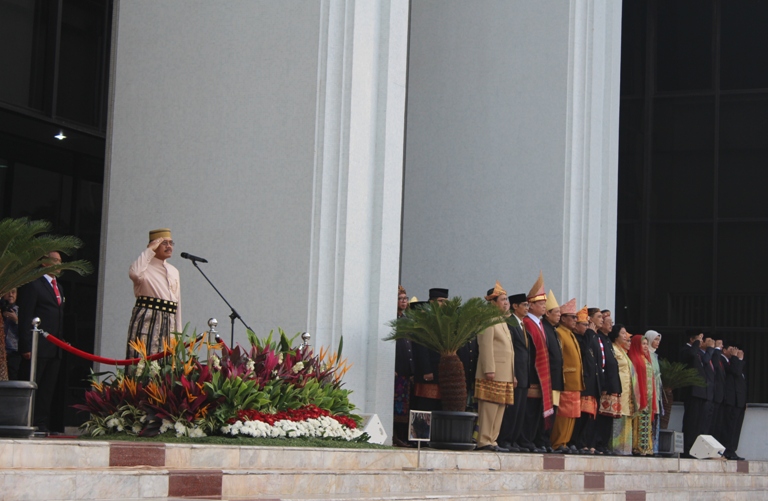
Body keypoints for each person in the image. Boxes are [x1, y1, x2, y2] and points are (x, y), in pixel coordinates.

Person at [16, 252, 66, 432]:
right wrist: (25, 346)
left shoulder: (59, 287)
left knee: (47, 389)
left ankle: (41, 423)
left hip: (54, 348)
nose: (59, 264)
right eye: (55, 260)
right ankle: (24, 421)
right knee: (32, 385)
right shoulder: (34, 285)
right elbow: (25, 317)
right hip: (37, 347)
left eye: (60, 261)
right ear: (44, 263)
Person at [126, 228, 182, 359]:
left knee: (166, 364)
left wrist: (178, 334)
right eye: (164, 243)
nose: (169, 246)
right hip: (147, 318)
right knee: (141, 362)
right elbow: (135, 274)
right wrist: (149, 250)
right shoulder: (142, 267)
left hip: (169, 321)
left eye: (171, 243)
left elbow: (177, 305)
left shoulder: (174, 271)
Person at [475, 281, 515, 452]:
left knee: (500, 406)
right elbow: (485, 346)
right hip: (493, 371)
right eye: (503, 300)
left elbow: (509, 350)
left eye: (507, 300)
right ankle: (484, 440)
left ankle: (493, 439)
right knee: (489, 407)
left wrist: (513, 374)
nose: (506, 303)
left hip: (505, 373)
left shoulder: (502, 321)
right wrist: (489, 369)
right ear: (493, 303)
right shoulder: (488, 320)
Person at [520, 272, 553, 453]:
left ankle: (534, 440)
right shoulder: (527, 323)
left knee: (537, 410)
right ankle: (525, 439)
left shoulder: (540, 324)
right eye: (541, 303)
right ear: (531, 305)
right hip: (532, 373)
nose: (544, 306)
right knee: (529, 410)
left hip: (541, 375)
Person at [497, 292, 531, 452]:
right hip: (515, 372)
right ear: (515, 306)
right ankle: (505, 439)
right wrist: (513, 373)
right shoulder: (510, 322)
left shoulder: (522, 324)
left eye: (528, 305)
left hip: (524, 373)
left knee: (520, 410)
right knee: (511, 409)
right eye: (524, 305)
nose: (527, 308)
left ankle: (514, 440)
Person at [551, 298, 584, 453]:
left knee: (572, 414)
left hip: (575, 381)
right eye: (572, 317)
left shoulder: (570, 334)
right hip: (566, 379)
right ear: (563, 319)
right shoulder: (559, 333)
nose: (575, 320)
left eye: (576, 317)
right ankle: (557, 442)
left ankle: (565, 441)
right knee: (563, 413)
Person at [411, 288, 448, 411]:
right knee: (426, 406)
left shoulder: (445, 319)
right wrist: (426, 370)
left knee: (439, 407)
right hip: (428, 372)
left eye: (446, 301)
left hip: (441, 371)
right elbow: (421, 346)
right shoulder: (424, 319)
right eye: (441, 301)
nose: (444, 304)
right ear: (432, 302)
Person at [571, 305, 602, 454]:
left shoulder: (589, 337)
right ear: (576, 326)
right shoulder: (577, 338)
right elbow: (583, 350)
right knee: (581, 416)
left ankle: (585, 443)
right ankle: (577, 442)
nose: (587, 327)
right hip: (582, 383)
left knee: (589, 417)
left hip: (592, 383)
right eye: (584, 325)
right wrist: (590, 333)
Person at [679, 331, 714, 456]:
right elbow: (691, 355)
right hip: (691, 391)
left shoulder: (698, 352)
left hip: (700, 392)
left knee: (698, 423)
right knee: (691, 421)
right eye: (699, 339)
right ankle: (687, 448)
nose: (701, 341)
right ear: (691, 339)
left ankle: (695, 449)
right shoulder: (687, 349)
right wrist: (697, 342)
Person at [594, 308, 620, 454]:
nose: (611, 325)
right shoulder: (598, 338)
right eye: (608, 322)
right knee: (602, 417)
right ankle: (598, 444)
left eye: (612, 322)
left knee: (609, 417)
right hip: (605, 384)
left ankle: (604, 444)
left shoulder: (608, 340)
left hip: (612, 385)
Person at [541, 290, 564, 452]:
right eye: (556, 312)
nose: (559, 316)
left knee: (552, 412)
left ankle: (547, 441)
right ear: (547, 314)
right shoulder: (544, 328)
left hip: (555, 379)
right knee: (545, 412)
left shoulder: (553, 330)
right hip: (547, 378)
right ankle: (542, 441)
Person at [393, 285, 414, 447]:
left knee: (405, 406)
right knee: (396, 405)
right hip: (396, 371)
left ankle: (403, 436)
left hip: (407, 372)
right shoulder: (391, 320)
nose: (404, 301)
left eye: (405, 299)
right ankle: (395, 435)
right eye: (400, 299)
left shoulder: (407, 321)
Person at [629, 334, 656, 456]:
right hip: (640, 396)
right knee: (639, 421)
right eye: (643, 344)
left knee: (646, 422)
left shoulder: (646, 358)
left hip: (648, 396)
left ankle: (646, 447)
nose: (645, 346)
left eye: (646, 344)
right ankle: (638, 447)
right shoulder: (635, 359)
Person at [610, 324, 634, 455]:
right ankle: (616, 449)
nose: (626, 336)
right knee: (618, 417)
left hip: (626, 390)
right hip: (618, 389)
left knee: (626, 416)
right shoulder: (613, 349)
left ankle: (625, 449)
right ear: (616, 335)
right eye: (623, 333)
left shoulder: (622, 351)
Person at [644, 330, 663, 454]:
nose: (657, 342)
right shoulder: (646, 354)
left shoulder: (655, 355)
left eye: (659, 340)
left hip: (656, 391)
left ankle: (654, 448)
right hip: (649, 391)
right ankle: (647, 446)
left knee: (655, 419)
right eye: (655, 339)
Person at [1, 288, 21, 380]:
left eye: (13, 292)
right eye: (8, 292)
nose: (11, 295)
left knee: (12, 375)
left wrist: (16, 320)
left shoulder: (19, 311)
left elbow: (24, 330)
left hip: (13, 350)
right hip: (2, 350)